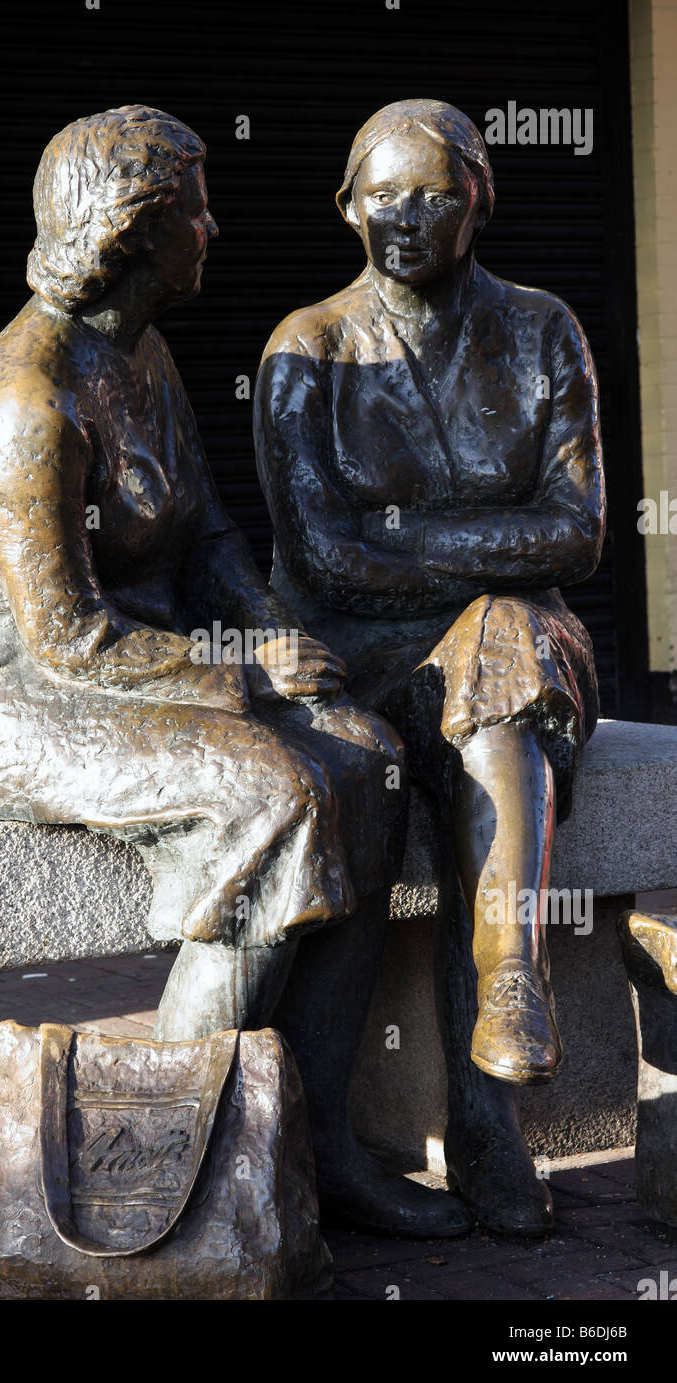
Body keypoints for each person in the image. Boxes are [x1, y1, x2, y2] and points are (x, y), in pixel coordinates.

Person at [0, 105, 468, 1236]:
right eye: (194, 206)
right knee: (273, 791)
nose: (215, 224)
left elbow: (206, 543)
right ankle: (163, 1181)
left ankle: (310, 1139)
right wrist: (246, 674)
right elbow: (67, 642)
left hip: (112, 668)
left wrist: (272, 644)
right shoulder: (25, 402)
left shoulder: (138, 355)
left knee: (367, 758)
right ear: (134, 232)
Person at [255, 99, 604, 1233]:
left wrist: (401, 540)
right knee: (494, 650)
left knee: (500, 669)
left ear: (480, 199)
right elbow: (324, 558)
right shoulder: (307, 346)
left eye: (435, 194)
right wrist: (472, 550)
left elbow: (581, 532)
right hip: (352, 655)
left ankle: (501, 1045)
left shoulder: (544, 329)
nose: (406, 219)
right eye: (384, 195)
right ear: (348, 204)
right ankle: (487, 1105)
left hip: (514, 651)